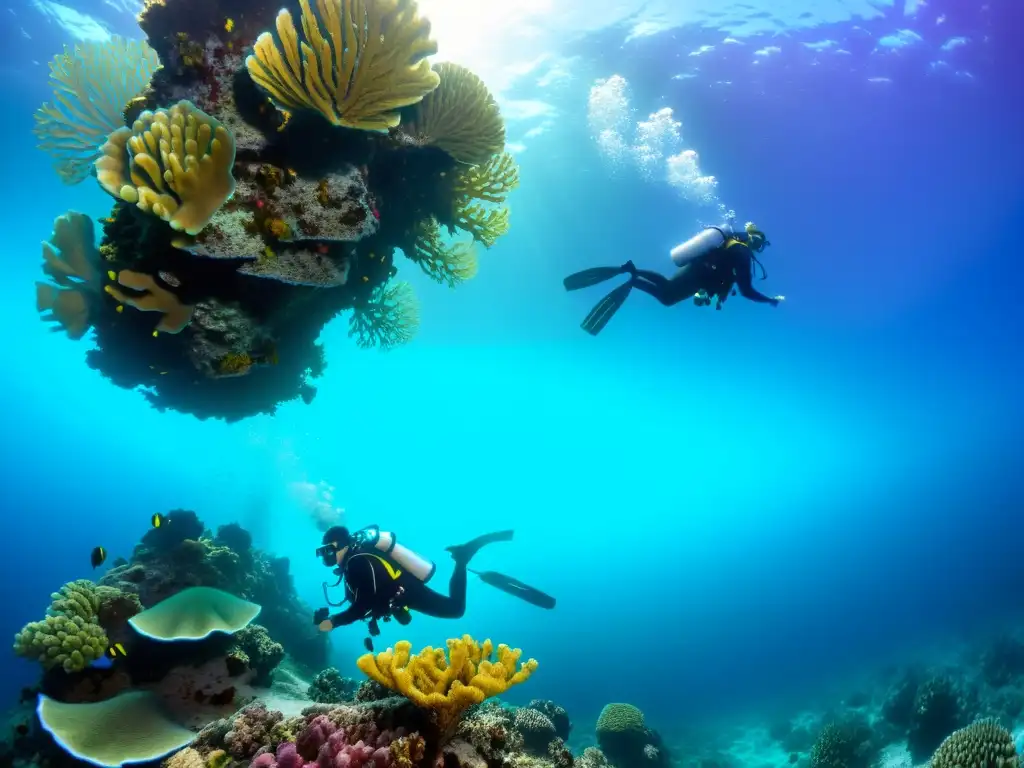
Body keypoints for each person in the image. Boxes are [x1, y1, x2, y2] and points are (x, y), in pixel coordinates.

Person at [313, 525, 553, 649]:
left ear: (342, 545)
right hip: (401, 594)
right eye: (322, 553)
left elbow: (361, 605)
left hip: (406, 591)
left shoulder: (356, 563)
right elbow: (363, 602)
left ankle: (462, 558)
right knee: (453, 609)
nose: (326, 558)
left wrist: (331, 622)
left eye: (328, 551)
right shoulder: (355, 562)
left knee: (455, 609)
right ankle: (462, 558)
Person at [563, 222, 785, 335]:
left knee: (668, 291)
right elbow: (746, 290)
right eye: (758, 243)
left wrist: (717, 294)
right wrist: (770, 300)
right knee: (668, 297)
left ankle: (633, 273)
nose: (757, 248)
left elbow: (728, 281)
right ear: (752, 239)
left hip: (696, 271)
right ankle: (633, 276)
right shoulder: (742, 251)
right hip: (698, 275)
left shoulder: (732, 247)